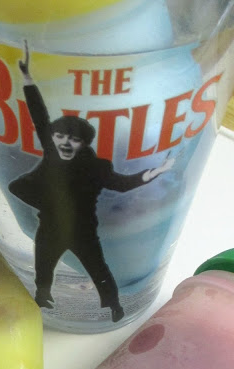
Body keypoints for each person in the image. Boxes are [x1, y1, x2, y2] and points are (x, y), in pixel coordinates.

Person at [9, 42, 174, 322]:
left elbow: (122, 184)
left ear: (83, 143)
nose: (65, 142)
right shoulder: (51, 151)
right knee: (43, 264)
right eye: (60, 136)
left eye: (73, 139)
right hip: (50, 225)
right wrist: (27, 78)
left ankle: (114, 306)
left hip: (82, 230)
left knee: (98, 269)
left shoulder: (97, 167)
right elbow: (39, 116)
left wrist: (157, 171)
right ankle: (42, 296)